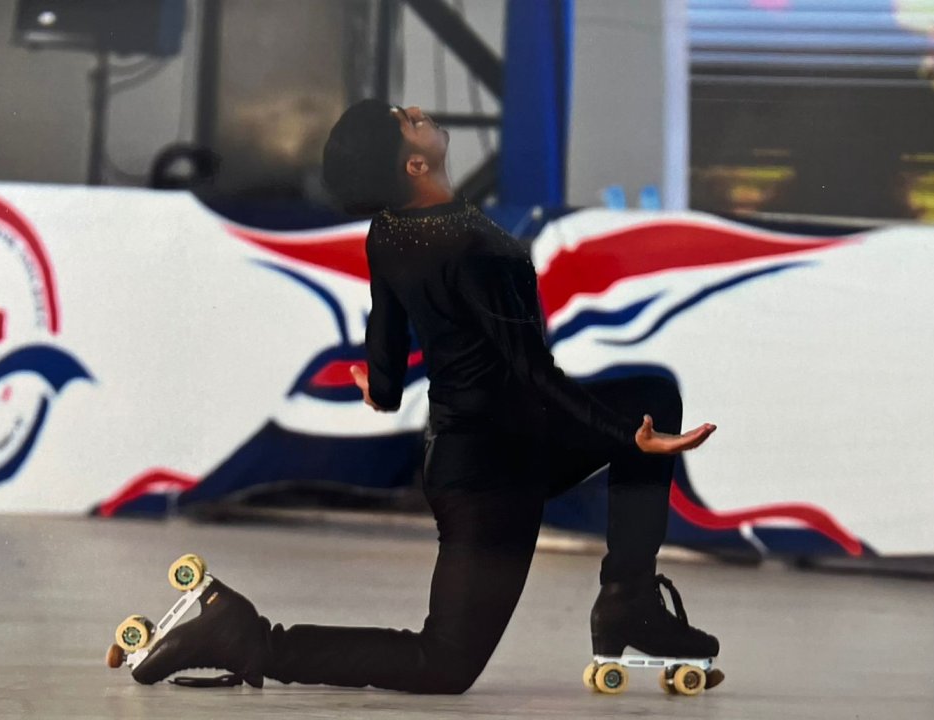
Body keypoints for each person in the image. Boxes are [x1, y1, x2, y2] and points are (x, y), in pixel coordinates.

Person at [126, 99, 721, 693]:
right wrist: (629, 439)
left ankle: (628, 601)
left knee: (651, 394)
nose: (418, 112)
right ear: (414, 165)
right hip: (492, 479)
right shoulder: (477, 248)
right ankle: (248, 639)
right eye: (408, 121)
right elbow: (534, 371)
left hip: (498, 447)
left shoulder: (389, 230)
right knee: (443, 663)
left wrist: (380, 389)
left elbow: (386, 345)